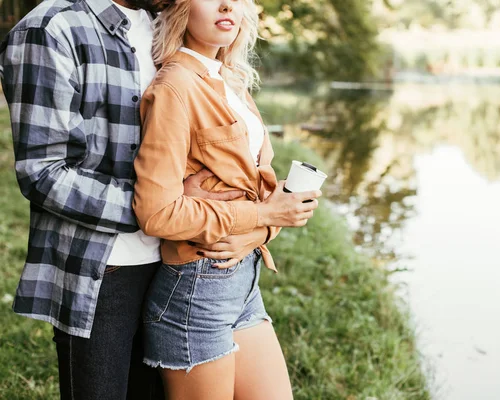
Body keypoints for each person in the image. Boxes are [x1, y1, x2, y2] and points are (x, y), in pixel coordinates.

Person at [0, 0, 278, 398]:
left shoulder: (161, 25)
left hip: (176, 263)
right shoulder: (52, 28)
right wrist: (160, 206)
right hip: (103, 269)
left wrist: (251, 223)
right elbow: (43, 173)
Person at [131, 0, 321, 399]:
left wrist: (263, 228)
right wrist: (264, 214)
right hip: (195, 291)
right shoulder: (175, 86)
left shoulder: (231, 81)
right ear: (182, 9)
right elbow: (157, 212)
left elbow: (259, 189)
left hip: (244, 284)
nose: (226, 5)